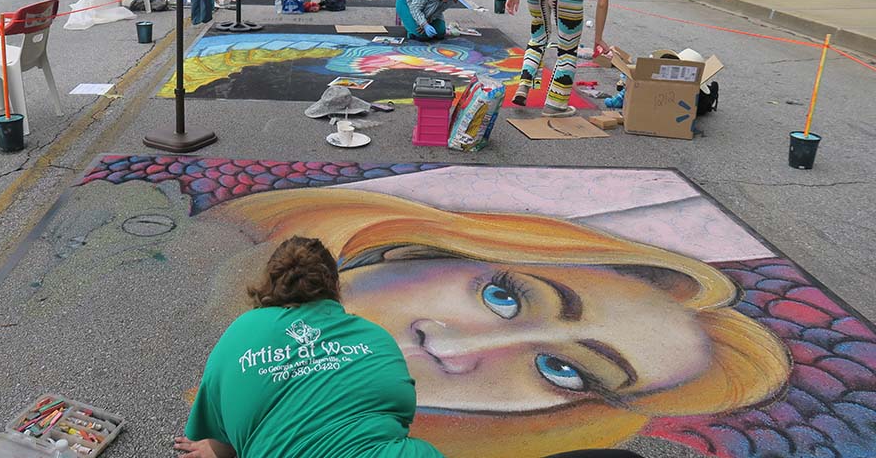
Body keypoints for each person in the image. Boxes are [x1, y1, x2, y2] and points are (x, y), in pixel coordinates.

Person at [213, 188, 790, 458]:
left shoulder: (245, 343)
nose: (456, 349)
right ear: (416, 250)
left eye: (561, 372)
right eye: (504, 296)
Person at [175, 236, 444, 458]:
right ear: (336, 286)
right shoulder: (375, 337)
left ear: (270, 282)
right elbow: (400, 414)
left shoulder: (239, 334)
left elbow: (229, 430)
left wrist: (215, 450)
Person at [505, 0, 619, 117]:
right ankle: (555, 105)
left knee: (538, 37)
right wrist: (598, 38)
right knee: (567, 47)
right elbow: (602, 2)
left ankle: (523, 86)